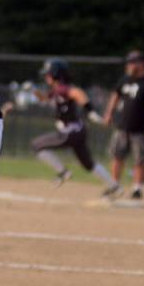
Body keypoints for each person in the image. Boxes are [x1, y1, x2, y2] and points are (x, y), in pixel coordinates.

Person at [31, 58, 120, 195]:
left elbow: (77, 93)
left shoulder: (63, 88)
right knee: (88, 164)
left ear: (56, 73)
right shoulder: (56, 90)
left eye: (48, 73)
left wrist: (91, 113)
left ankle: (63, 172)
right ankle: (115, 187)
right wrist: (37, 94)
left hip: (70, 132)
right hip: (78, 131)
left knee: (37, 145)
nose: (46, 76)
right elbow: (46, 98)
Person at [102, 50, 144, 200]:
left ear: (141, 63)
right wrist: (109, 113)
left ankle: (137, 188)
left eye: (132, 62)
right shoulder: (125, 79)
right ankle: (114, 185)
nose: (129, 66)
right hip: (122, 126)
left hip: (141, 128)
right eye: (129, 63)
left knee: (140, 159)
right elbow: (115, 95)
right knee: (117, 156)